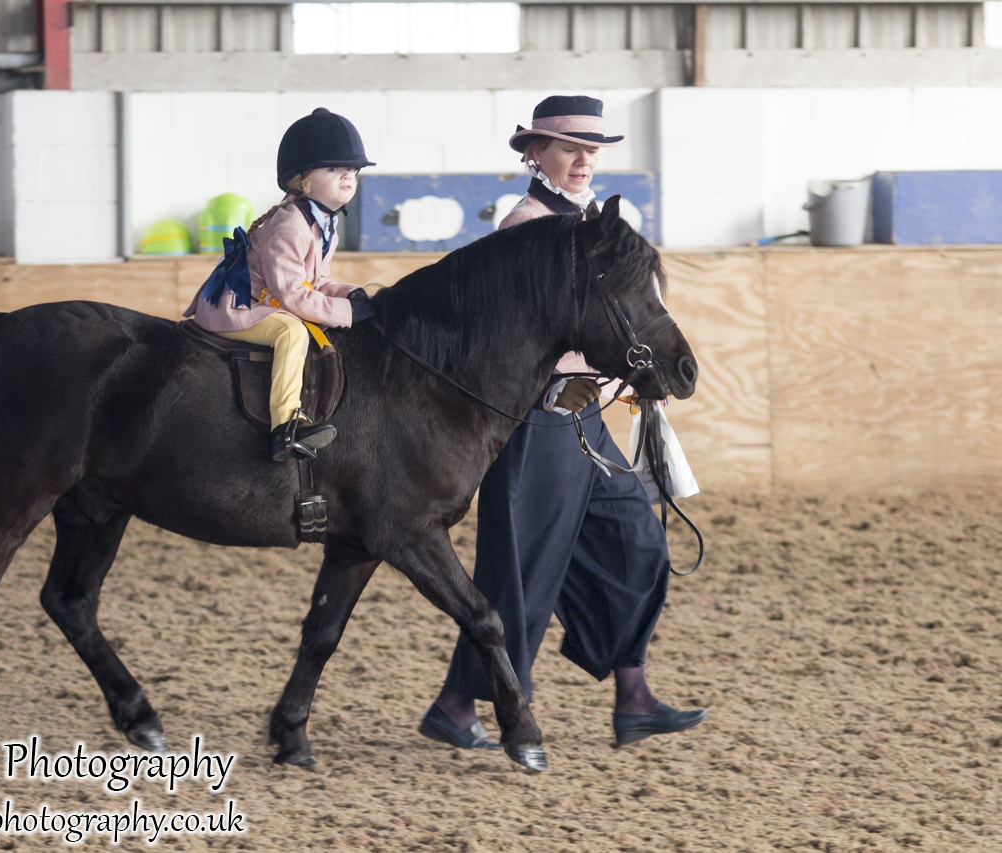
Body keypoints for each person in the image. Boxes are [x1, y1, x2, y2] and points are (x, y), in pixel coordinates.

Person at [418, 95, 707, 750]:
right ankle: (461, 703)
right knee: (525, 572)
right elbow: (514, 336)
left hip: (586, 422)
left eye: (592, 151)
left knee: (636, 541)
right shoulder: (525, 224)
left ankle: (631, 696)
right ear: (535, 153)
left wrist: (634, 377)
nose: (583, 162)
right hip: (538, 423)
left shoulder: (592, 226)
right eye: (570, 149)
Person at [184, 108, 376, 461]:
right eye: (334, 169)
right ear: (303, 180)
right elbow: (292, 294)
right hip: (238, 306)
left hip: (266, 301)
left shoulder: (324, 227)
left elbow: (316, 282)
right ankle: (286, 426)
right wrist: (346, 311)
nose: (348, 176)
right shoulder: (291, 224)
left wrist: (352, 294)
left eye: (352, 170)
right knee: (291, 331)